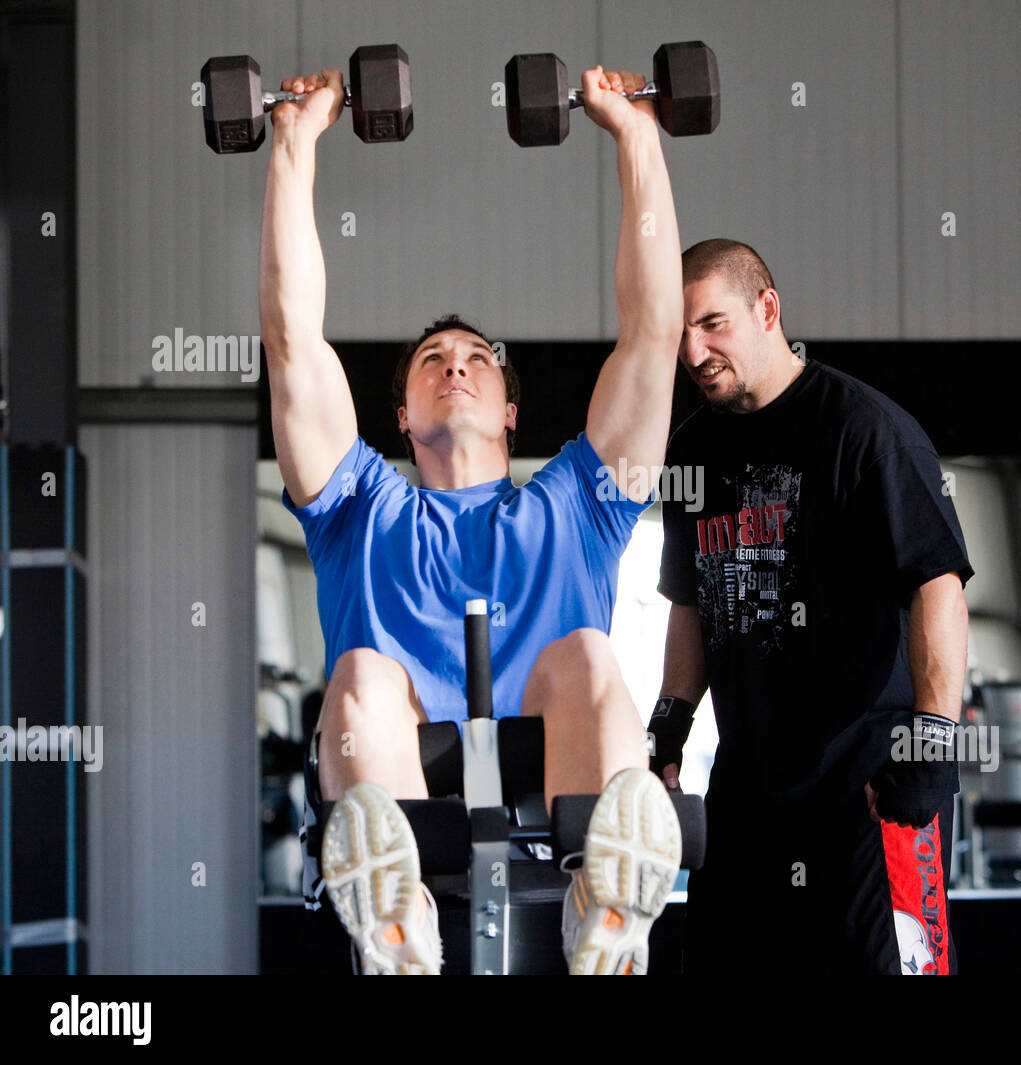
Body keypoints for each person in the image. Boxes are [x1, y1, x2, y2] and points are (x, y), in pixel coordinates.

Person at [260, 62, 685, 974]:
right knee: (362, 671)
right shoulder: (356, 507)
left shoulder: (579, 504)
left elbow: (654, 335)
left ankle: (604, 906)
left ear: (510, 412)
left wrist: (638, 135)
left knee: (587, 652)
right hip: (397, 768)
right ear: (402, 419)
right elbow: (293, 340)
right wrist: (293, 147)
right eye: (430, 360)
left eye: (477, 359)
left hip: (552, 744)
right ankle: (396, 916)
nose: (455, 365)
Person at [652, 239, 974, 974]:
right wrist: (669, 722)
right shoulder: (691, 451)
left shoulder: (864, 428)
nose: (694, 349)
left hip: (872, 788)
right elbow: (692, 601)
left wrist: (933, 740)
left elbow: (938, 584)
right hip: (749, 791)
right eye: (679, 331)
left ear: (768, 309)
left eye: (712, 323)